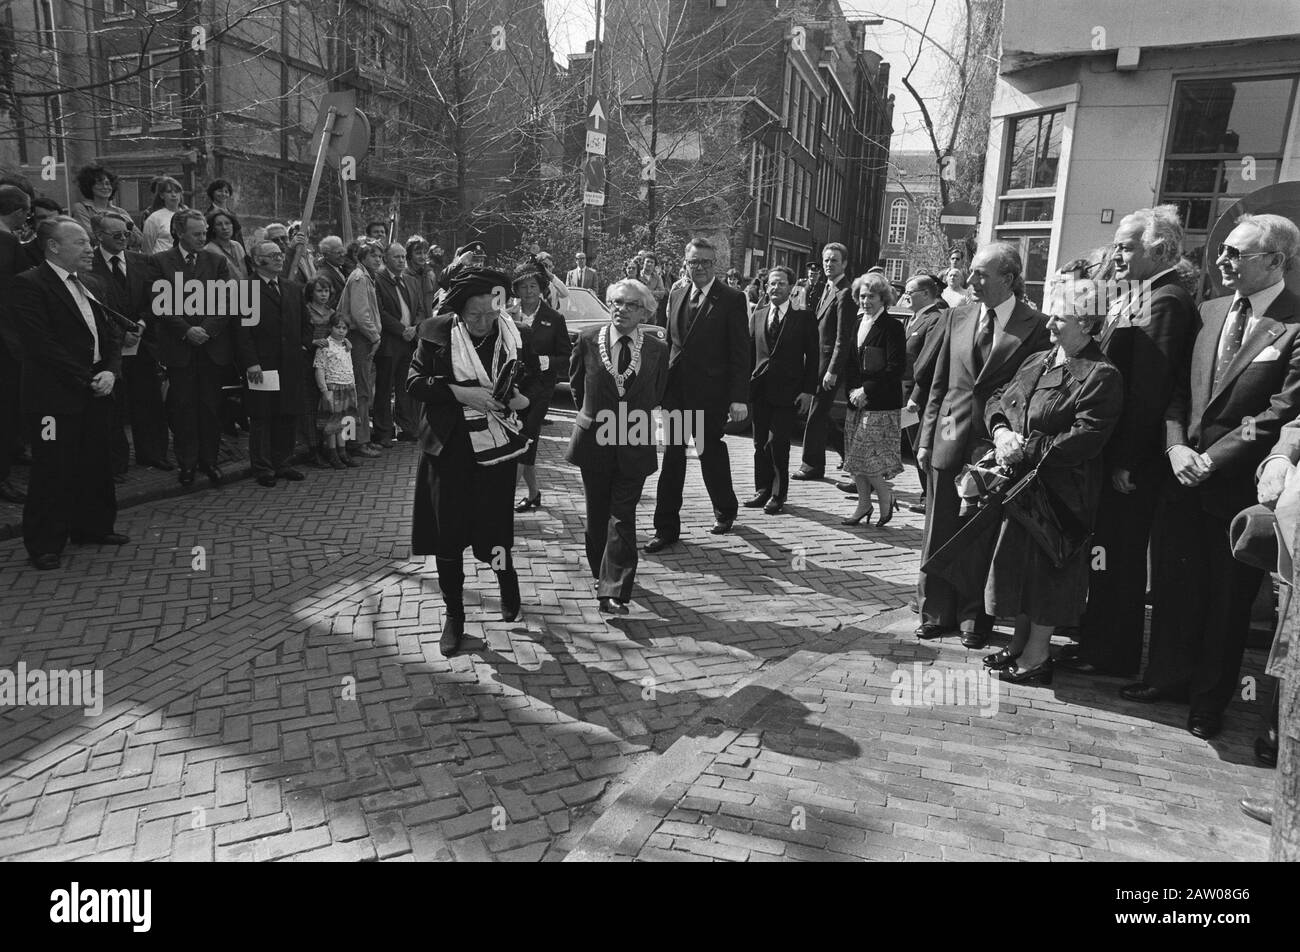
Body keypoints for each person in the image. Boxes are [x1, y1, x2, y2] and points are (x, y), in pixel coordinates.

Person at [1125, 213, 1300, 740]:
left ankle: (1208, 700)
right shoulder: (1209, 310)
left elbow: (1279, 411)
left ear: (1274, 262)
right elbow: (1177, 389)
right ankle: (1167, 678)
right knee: (1176, 587)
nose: (1221, 261)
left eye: (1235, 254)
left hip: (1235, 489)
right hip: (1181, 479)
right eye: (1222, 251)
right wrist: (1177, 448)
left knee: (1226, 603)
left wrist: (1212, 460)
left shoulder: (1294, 326)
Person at [1067, 206, 1197, 678]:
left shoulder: (1166, 300)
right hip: (1114, 453)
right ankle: (1096, 640)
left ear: (1158, 249)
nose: (1115, 254)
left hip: (1129, 462)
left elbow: (1150, 391)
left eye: (1125, 246)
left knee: (1118, 557)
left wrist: (1127, 462)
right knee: (1106, 552)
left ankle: (1111, 652)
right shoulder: (1140, 292)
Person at [981, 280, 1124, 684]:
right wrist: (1001, 433)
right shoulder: (1039, 360)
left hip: (1062, 496)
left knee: (1047, 575)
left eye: (1059, 317)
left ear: (1087, 324)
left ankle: (1038, 657)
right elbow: (998, 399)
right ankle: (1018, 645)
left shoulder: (1101, 375)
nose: (1050, 324)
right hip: (1023, 489)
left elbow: (1086, 437)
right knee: (1020, 570)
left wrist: (1025, 447)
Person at [916, 241, 1051, 648]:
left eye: (981, 274)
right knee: (938, 528)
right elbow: (939, 384)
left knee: (979, 534)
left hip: (995, 444)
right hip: (946, 436)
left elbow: (1033, 393)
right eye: (971, 271)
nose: (969, 280)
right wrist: (924, 440)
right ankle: (934, 610)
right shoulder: (957, 315)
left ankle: (975, 617)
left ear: (1008, 279)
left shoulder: (1037, 325)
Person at [407, 267, 544, 656]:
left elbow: (535, 381)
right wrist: (459, 393)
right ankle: (454, 616)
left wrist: (524, 400)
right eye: (474, 315)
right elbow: (414, 383)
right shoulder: (435, 333)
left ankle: (506, 578)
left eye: (490, 313)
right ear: (459, 312)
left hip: (496, 451)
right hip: (448, 451)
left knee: (494, 530)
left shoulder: (515, 335)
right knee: (447, 536)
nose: (484, 323)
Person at [11, 217, 126, 569]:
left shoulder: (92, 284)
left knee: (95, 461)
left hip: (94, 389)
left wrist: (109, 370)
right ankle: (45, 543)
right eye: (80, 242)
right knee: (53, 468)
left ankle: (92, 527)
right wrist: (86, 377)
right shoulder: (29, 284)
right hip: (53, 398)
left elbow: (110, 335)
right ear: (54, 247)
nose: (89, 248)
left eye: (89, 242)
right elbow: (40, 344)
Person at [567, 279, 668, 613]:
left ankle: (615, 588)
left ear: (645, 311)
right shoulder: (586, 339)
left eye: (630, 305)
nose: (621, 309)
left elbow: (657, 391)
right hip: (594, 439)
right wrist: (592, 415)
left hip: (634, 440)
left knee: (622, 514)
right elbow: (577, 386)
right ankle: (601, 573)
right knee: (597, 513)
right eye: (616, 302)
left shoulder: (656, 348)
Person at [645, 237, 749, 551]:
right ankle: (666, 528)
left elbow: (740, 352)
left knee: (709, 452)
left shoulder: (731, 298)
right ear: (686, 263)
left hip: (711, 394)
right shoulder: (675, 294)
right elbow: (669, 345)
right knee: (673, 458)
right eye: (694, 262)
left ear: (714, 264)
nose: (699, 268)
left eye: (705, 262)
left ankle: (725, 509)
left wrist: (738, 397)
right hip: (675, 391)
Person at [148, 208, 233, 487]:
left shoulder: (216, 261)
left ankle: (210, 461)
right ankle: (187, 463)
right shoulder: (160, 262)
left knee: (210, 407)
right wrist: (186, 331)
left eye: (204, 233)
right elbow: (160, 305)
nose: (202, 237)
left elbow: (226, 302)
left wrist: (206, 330)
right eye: (196, 233)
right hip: (179, 349)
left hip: (211, 348)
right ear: (178, 233)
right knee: (183, 408)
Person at [84, 210, 171, 474]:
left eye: (126, 233)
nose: (124, 239)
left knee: (148, 400)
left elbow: (159, 298)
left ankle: (153, 453)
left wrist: (142, 325)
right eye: (116, 234)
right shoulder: (89, 265)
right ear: (99, 236)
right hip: (110, 346)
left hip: (142, 343)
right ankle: (116, 462)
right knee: (113, 406)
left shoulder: (143, 261)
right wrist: (120, 335)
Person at [746, 266, 816, 516]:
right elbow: (750, 352)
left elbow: (813, 357)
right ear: (766, 287)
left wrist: (808, 391)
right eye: (772, 284)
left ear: (791, 287)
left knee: (779, 444)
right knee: (759, 443)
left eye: (781, 284)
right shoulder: (758, 313)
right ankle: (761, 489)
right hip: (761, 390)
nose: (775, 288)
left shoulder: (804, 317)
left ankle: (778, 493)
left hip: (789, 392)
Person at [237, 240, 308, 487]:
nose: (280, 258)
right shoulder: (245, 289)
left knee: (286, 414)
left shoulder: (292, 288)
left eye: (280, 254)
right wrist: (251, 363)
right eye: (273, 255)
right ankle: (263, 467)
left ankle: (283, 462)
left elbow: (304, 323)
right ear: (258, 261)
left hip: (289, 364)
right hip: (262, 364)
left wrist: (303, 345)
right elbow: (242, 332)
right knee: (262, 416)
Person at [841, 272, 905, 527]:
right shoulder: (857, 323)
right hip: (856, 401)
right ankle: (864, 504)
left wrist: (866, 390)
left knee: (863, 455)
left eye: (872, 296)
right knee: (854, 460)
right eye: (863, 296)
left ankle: (885, 494)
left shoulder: (892, 327)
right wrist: (853, 393)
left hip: (880, 403)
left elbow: (895, 367)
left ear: (883, 298)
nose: (866, 301)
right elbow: (851, 364)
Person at [510, 257, 570, 512]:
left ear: (541, 288)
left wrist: (548, 361)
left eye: (533, 286)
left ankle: (502, 500)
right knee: (525, 441)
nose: (528, 292)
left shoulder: (554, 318)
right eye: (523, 287)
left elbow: (567, 357)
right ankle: (534, 494)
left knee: (525, 437)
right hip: (514, 388)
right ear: (516, 290)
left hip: (542, 389)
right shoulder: (507, 316)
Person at [795, 243, 854, 480]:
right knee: (819, 413)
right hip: (816, 361)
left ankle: (811, 466)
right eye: (826, 260)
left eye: (835, 261)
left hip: (828, 365)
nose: (829, 265)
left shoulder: (845, 292)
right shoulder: (825, 288)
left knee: (816, 413)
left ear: (845, 264)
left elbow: (843, 338)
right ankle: (849, 452)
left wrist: (832, 370)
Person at [902, 273, 947, 512]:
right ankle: (926, 496)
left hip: (919, 396)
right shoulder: (914, 318)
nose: (905, 297)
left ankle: (929, 498)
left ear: (927, 294)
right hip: (905, 391)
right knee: (912, 446)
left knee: (921, 446)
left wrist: (915, 398)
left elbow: (927, 363)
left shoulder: (934, 320)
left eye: (910, 293)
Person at [336, 239, 384, 459]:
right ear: (362, 257)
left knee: (363, 391)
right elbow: (360, 314)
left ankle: (360, 439)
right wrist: (374, 336)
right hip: (360, 339)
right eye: (373, 255)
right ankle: (357, 441)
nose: (378, 259)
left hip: (363, 339)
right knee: (360, 392)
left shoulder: (365, 277)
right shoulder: (359, 278)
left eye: (380, 256)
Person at [0, 184, 33, 503]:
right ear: (20, 212)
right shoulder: (9, 243)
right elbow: (25, 291)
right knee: (7, 408)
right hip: (7, 342)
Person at [373, 241, 416, 449]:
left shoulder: (406, 279)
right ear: (386, 259)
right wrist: (402, 330)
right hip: (390, 342)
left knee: (404, 387)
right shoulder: (378, 279)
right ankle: (383, 431)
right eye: (397, 257)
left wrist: (415, 328)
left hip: (409, 342)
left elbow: (414, 307)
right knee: (384, 388)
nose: (401, 260)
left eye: (403, 257)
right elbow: (380, 312)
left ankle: (406, 428)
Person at [314, 314, 359, 470]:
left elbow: (350, 366)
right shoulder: (325, 346)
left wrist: (353, 385)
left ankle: (343, 451)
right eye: (337, 327)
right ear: (330, 327)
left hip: (347, 387)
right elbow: (319, 369)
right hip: (333, 387)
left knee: (345, 421)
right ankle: (332, 453)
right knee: (332, 422)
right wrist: (324, 390)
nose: (341, 331)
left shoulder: (346, 346)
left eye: (344, 328)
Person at [301, 275, 336, 466]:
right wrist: (312, 342)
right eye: (319, 291)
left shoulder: (332, 312)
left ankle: (331, 447)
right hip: (309, 361)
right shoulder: (305, 310)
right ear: (311, 292)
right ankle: (312, 449)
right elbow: (299, 334)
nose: (323, 294)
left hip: (328, 363)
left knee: (328, 405)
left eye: (326, 290)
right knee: (310, 406)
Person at [70, 164, 132, 241]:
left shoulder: (120, 211)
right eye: (99, 183)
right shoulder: (81, 208)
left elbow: (139, 238)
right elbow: (91, 236)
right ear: (89, 186)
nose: (105, 187)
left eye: (107, 183)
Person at [141, 176, 185, 254]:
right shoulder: (154, 218)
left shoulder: (188, 215)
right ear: (162, 195)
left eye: (177, 191)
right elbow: (147, 248)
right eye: (169, 192)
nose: (174, 195)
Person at [204, 209, 247, 279]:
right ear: (213, 228)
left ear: (233, 225)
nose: (224, 227)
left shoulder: (237, 246)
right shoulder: (208, 250)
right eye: (219, 224)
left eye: (227, 223)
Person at [204, 179, 243, 247]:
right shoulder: (207, 216)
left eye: (226, 191)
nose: (223, 194)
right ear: (212, 193)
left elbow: (239, 237)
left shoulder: (232, 215)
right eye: (219, 191)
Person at [316, 235, 350, 306]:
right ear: (326, 255)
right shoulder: (324, 275)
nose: (342, 255)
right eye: (338, 253)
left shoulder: (339, 268)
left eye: (343, 251)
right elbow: (327, 303)